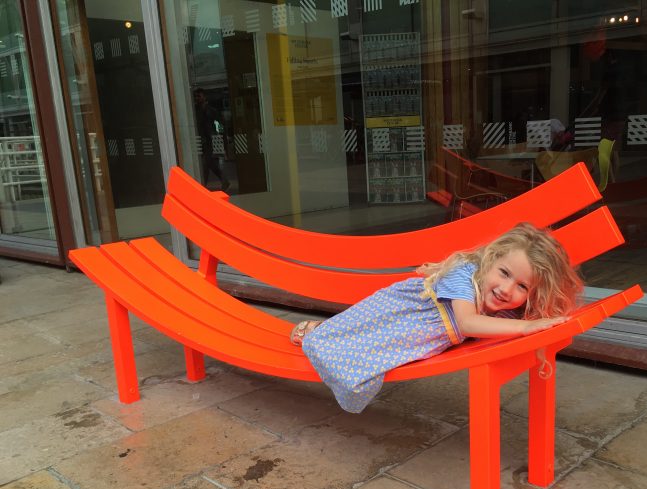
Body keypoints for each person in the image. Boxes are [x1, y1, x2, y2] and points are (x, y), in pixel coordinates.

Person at [290, 223, 583, 413]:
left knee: (361, 362)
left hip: (414, 337)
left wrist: (538, 321)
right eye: (504, 273)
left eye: (522, 286)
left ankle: (326, 332)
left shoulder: (503, 308)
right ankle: (319, 331)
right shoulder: (466, 275)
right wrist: (526, 327)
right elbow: (467, 322)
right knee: (354, 338)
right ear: (490, 260)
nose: (507, 289)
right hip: (401, 312)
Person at [194, 88, 230, 191]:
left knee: (206, 163)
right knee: (208, 163)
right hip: (202, 140)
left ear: (204, 97)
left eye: (199, 96)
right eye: (196, 96)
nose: (197, 98)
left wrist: (220, 137)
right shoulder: (195, 111)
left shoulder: (212, 111)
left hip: (210, 140)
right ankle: (223, 181)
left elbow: (219, 125)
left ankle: (203, 186)